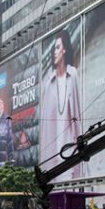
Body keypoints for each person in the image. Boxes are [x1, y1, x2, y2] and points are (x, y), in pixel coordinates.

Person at [40, 28, 82, 178]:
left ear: (64, 50)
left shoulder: (73, 74)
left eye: (57, 47)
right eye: (53, 49)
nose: (54, 52)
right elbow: (45, 127)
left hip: (69, 144)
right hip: (53, 149)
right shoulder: (49, 82)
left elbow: (77, 114)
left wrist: (80, 144)